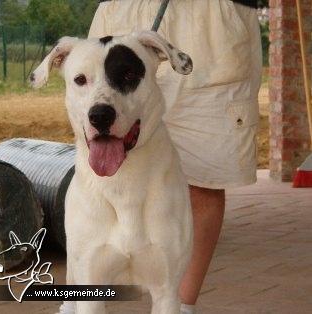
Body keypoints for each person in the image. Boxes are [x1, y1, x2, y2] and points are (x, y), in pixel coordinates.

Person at [89, 1, 262, 313]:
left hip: (211, 24)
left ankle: (180, 306)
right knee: (101, 174)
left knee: (205, 177)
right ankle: (83, 295)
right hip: (121, 12)